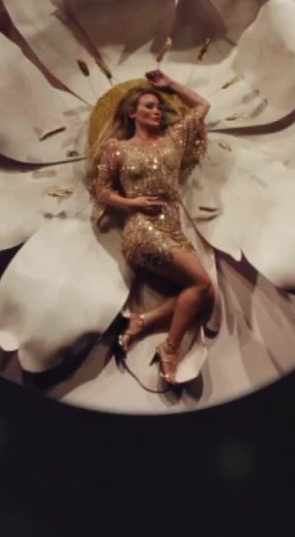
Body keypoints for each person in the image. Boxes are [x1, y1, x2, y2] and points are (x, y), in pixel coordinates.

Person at [91, 70, 213, 385]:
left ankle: (141, 322)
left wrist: (171, 85)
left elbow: (202, 106)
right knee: (200, 284)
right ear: (132, 113)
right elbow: (102, 191)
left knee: (205, 293)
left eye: (158, 107)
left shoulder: (173, 139)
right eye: (149, 106)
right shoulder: (117, 148)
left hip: (173, 230)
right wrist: (131, 203)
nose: (156, 111)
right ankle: (170, 349)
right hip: (141, 231)